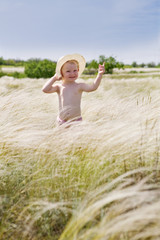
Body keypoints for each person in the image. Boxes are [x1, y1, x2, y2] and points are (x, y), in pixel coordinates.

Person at [42, 53, 105, 125]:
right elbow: (45, 89)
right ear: (61, 73)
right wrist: (54, 78)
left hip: (76, 121)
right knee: (61, 136)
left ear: (78, 70)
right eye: (68, 71)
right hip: (62, 121)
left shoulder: (79, 86)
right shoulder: (59, 87)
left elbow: (93, 87)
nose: (72, 73)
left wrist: (99, 74)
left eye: (75, 70)